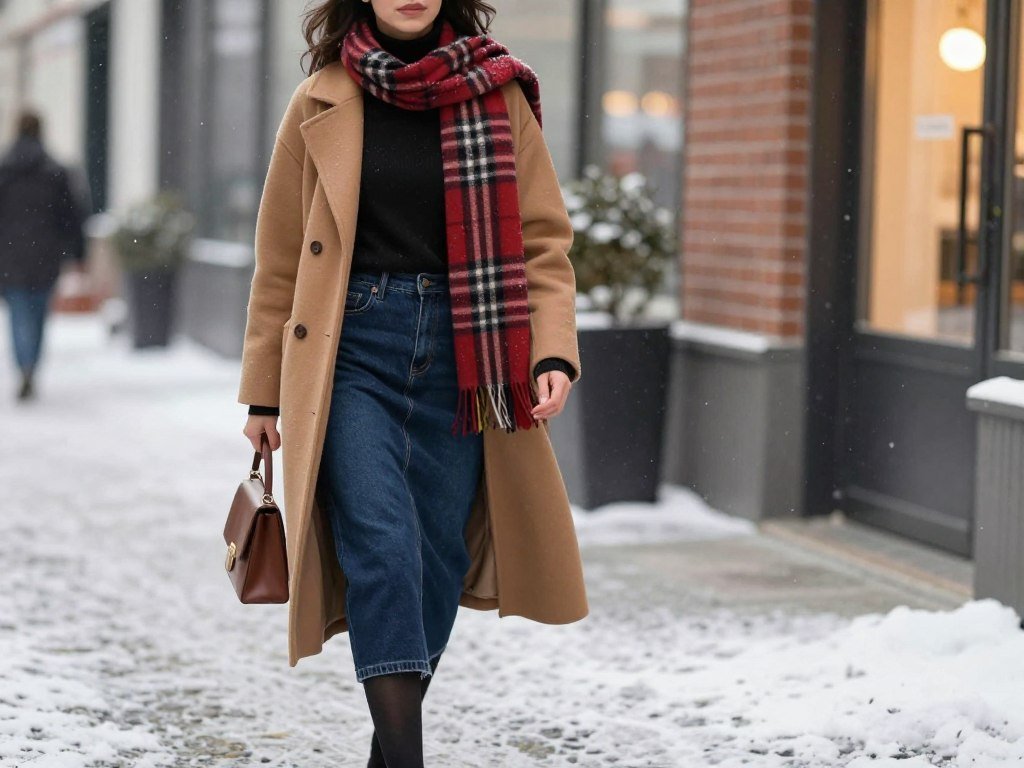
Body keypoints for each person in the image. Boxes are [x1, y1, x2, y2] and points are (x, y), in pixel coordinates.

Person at [238, 2, 587, 766]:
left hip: (470, 354)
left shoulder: (497, 94)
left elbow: (542, 242)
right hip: (350, 348)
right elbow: (281, 258)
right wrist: (264, 392)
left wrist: (552, 352)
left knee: (436, 560)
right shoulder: (320, 99)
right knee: (384, 548)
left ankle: (387, 750)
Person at [0, 110, 88, 402]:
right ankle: (31, 365)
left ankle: (24, 365)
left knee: (18, 313)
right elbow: (72, 216)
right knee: (38, 314)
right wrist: (78, 253)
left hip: (10, 255)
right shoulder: (55, 171)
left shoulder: (4, 170)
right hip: (45, 254)